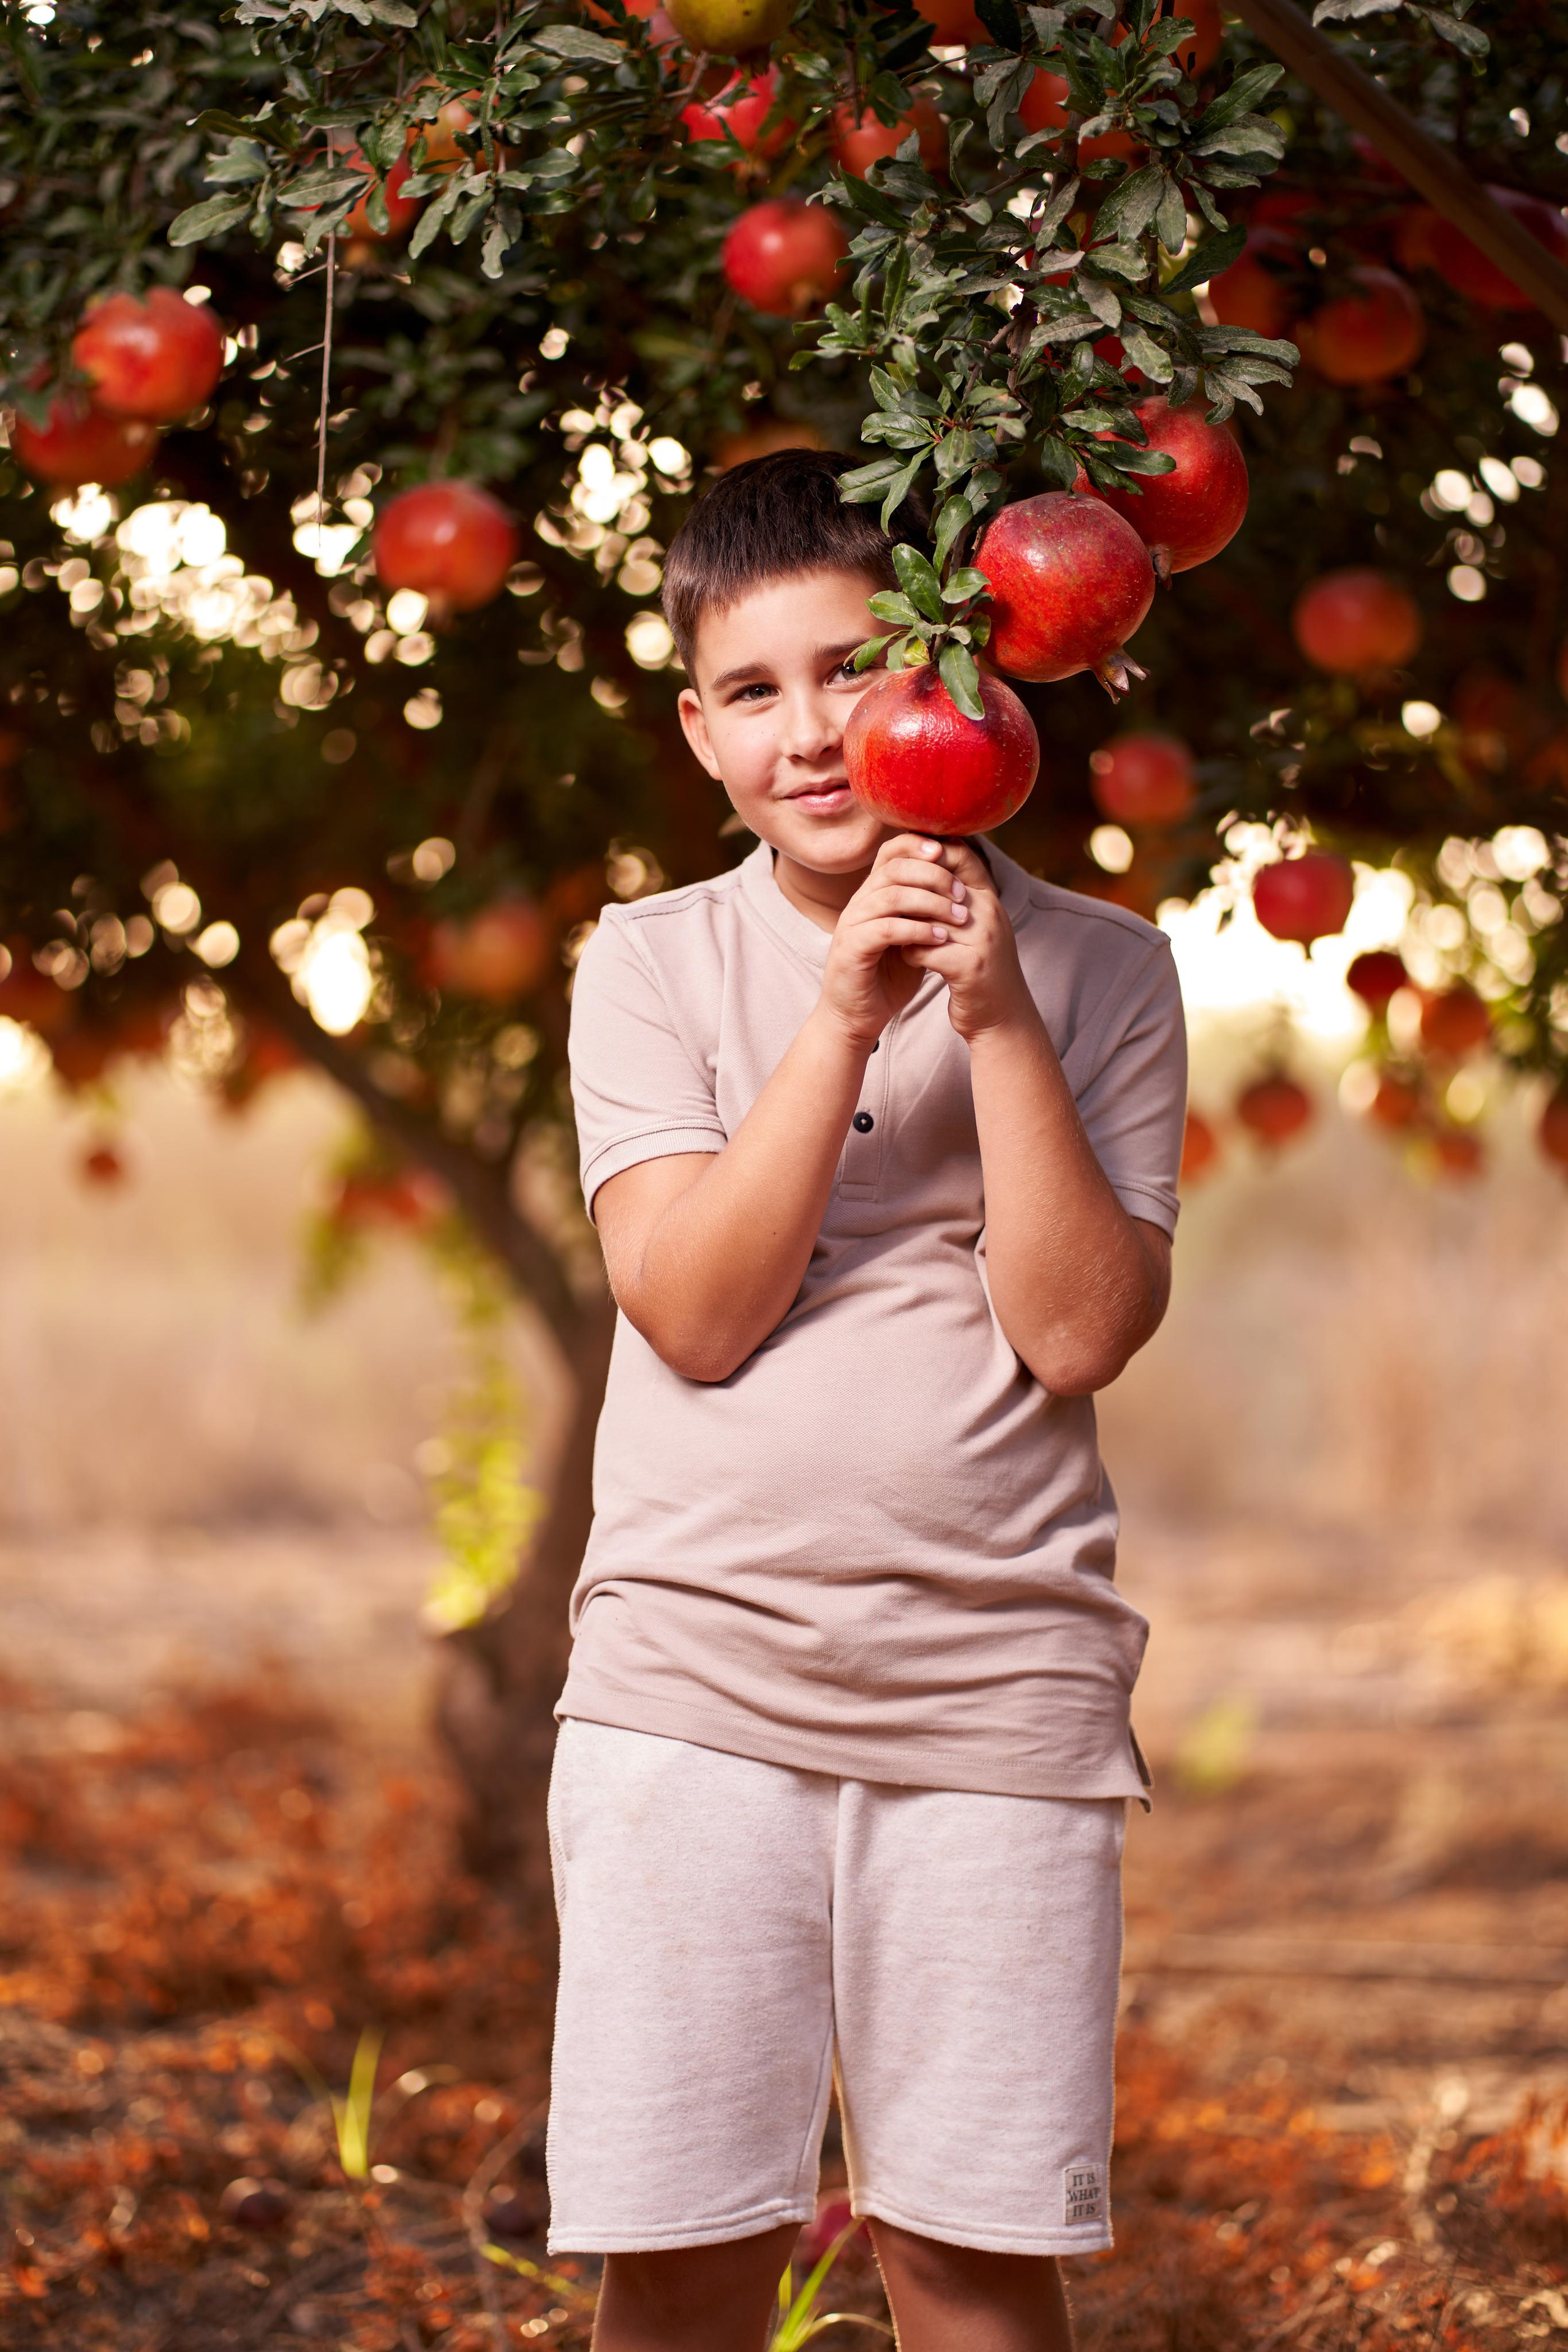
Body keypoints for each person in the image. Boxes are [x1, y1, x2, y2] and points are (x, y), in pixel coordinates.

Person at [547, 449, 1186, 2352]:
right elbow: (695, 1308)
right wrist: (841, 1010)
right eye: (754, 692)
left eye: (855, 669)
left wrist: (989, 1018)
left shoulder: (1102, 971)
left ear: (954, 674)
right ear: (698, 730)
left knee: (974, 2257)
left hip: (999, 1691)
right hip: (692, 1688)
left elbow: (1078, 1334)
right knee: (679, 2255)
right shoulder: (650, 964)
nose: (813, 732)